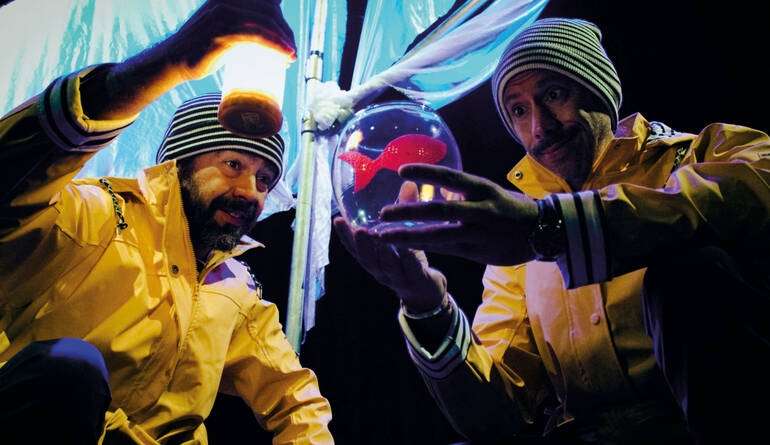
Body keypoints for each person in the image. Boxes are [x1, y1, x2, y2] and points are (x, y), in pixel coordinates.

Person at [335, 17, 770, 444]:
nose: (539, 126)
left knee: (691, 270)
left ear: (601, 91)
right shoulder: (518, 248)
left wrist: (553, 228)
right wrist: (426, 305)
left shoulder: (702, 155)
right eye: (519, 110)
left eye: (554, 94)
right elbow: (496, 415)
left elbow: (752, 192)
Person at [0, 1, 334, 444]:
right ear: (180, 165)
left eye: (264, 180)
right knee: (70, 369)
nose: (250, 191)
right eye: (233, 165)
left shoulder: (234, 289)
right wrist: (170, 61)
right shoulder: (95, 214)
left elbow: (294, 396)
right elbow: (11, 182)